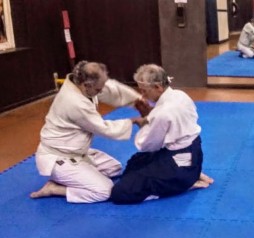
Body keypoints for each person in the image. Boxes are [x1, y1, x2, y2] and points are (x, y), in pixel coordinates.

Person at [30, 61, 148, 203]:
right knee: (105, 191)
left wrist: (137, 100)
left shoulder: (80, 83)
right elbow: (103, 128)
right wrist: (133, 121)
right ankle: (55, 188)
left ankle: (78, 177)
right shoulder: (75, 103)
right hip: (59, 158)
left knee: (114, 168)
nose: (102, 90)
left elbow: (111, 89)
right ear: (87, 85)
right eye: (99, 89)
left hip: (78, 152)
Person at [110, 64, 214, 204]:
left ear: (158, 87)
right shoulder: (180, 95)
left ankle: (185, 184)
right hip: (194, 154)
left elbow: (146, 145)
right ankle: (192, 173)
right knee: (134, 163)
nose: (142, 95)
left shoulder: (162, 113)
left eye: (144, 91)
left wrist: (146, 119)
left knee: (119, 193)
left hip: (179, 167)